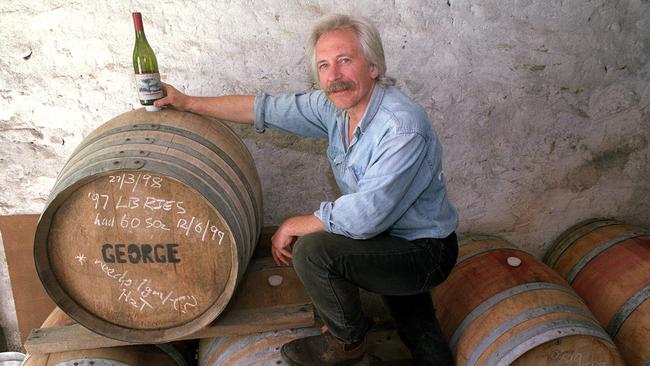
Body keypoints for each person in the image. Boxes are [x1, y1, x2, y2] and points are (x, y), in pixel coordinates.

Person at [155, 13, 459, 366]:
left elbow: (367, 215)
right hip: (388, 239)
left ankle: (348, 340)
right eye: (324, 65)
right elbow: (264, 108)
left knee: (314, 250)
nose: (335, 76)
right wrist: (189, 102)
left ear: (373, 66)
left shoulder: (401, 126)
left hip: (423, 249)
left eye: (345, 60)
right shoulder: (335, 108)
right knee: (418, 332)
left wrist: (298, 223)